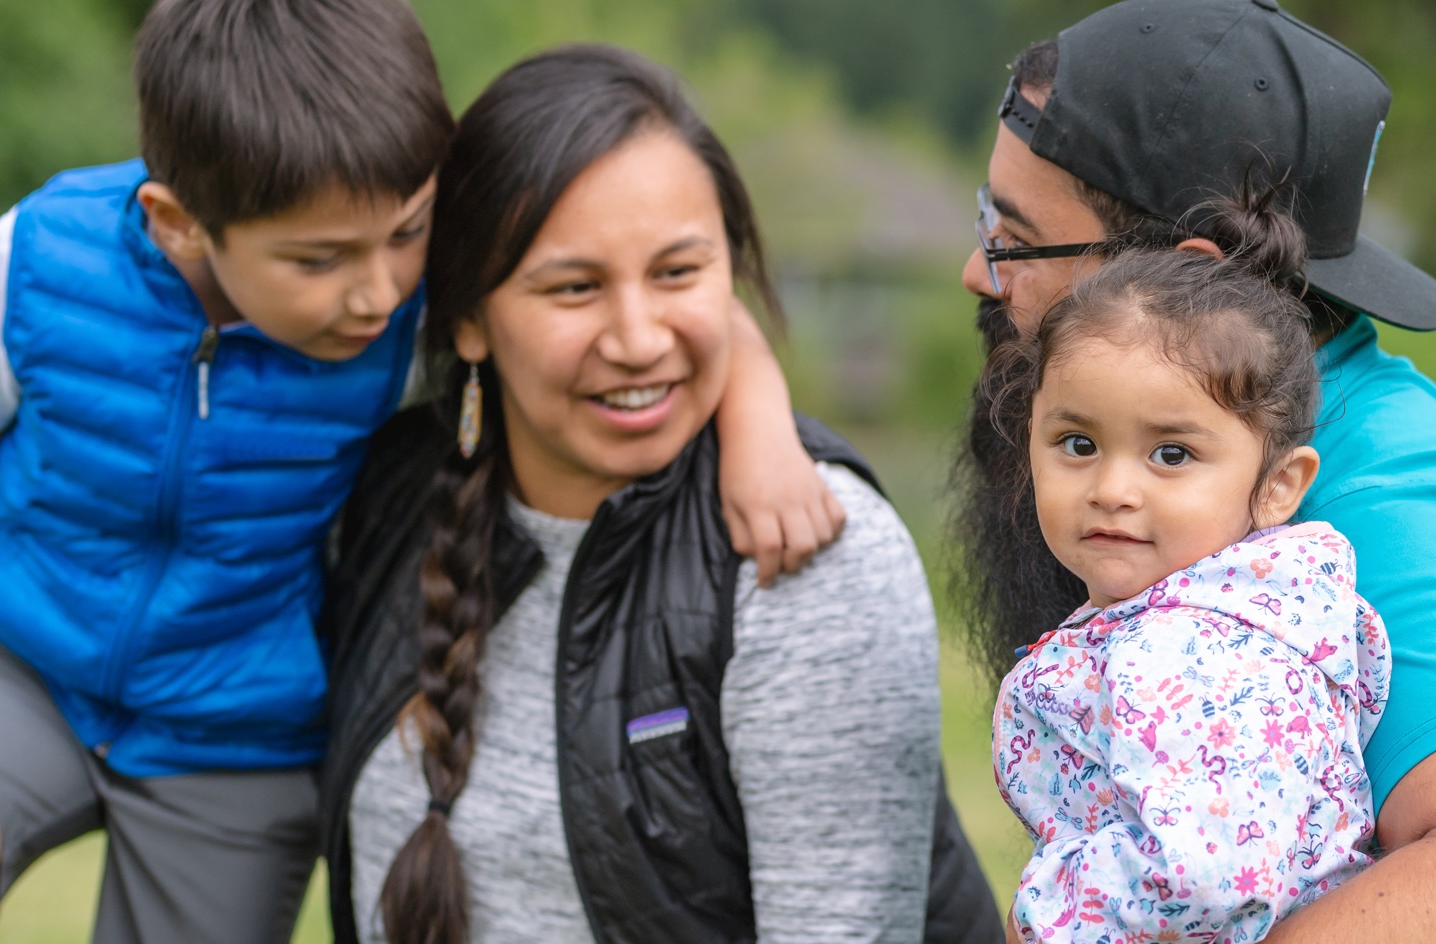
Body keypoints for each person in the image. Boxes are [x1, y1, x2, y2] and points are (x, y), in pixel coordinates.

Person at [0, 1, 839, 940]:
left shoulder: (404, 313)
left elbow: (674, 303)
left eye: (408, 232)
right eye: (320, 260)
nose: (378, 288)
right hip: (28, 663)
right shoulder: (35, 260)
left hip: (237, 726)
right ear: (180, 221)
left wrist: (760, 432)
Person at [953, 2, 1436, 941]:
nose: (978, 274)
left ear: (1187, 272)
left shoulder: (1384, 503)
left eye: (1014, 239)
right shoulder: (1208, 474)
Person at [315, 45, 1001, 944]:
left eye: (677, 273)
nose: (638, 339)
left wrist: (750, 390)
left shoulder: (803, 556)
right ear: (467, 319)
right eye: (575, 288)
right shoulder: (388, 487)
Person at [987, 240, 1392, 943]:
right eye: (1077, 444)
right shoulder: (1249, 622)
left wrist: (1045, 920)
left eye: (1171, 455)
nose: (1113, 491)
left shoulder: (1189, 652)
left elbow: (1207, 878)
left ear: (1277, 487)